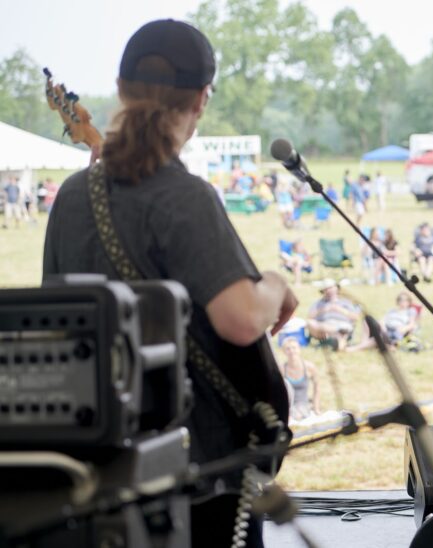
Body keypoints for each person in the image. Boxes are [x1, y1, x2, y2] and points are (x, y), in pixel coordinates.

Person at [41, 19, 298, 548]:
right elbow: (241, 319)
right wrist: (275, 284)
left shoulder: (71, 196)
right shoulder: (185, 196)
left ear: (120, 89)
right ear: (201, 99)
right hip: (199, 471)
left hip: (102, 468)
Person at [306, 279, 360, 351]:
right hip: (324, 326)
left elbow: (355, 317)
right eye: (326, 289)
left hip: (342, 324)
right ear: (323, 292)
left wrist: (340, 310)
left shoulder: (345, 302)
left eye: (331, 288)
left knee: (342, 330)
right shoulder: (319, 303)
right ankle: (337, 336)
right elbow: (309, 317)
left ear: (337, 288)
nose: (329, 291)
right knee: (310, 323)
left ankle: (336, 340)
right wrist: (323, 309)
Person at [279, 337, 321, 422]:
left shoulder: (309, 367)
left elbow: (317, 389)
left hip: (304, 405)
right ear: (284, 352)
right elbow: (277, 392)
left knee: (300, 415)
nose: (291, 351)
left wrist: (316, 408)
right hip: (288, 406)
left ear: (299, 349)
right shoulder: (281, 369)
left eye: (294, 348)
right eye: (288, 349)